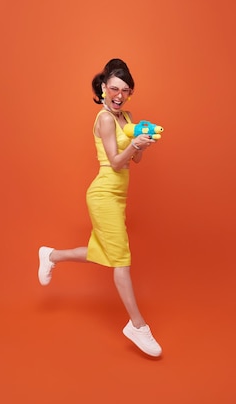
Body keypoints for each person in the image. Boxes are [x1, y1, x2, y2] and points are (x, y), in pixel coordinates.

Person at [37, 58, 162, 357]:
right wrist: (133, 146)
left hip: (118, 196)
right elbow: (116, 161)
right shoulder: (104, 118)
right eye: (114, 89)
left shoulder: (127, 117)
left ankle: (50, 255)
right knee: (121, 259)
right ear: (103, 88)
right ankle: (137, 326)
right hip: (104, 193)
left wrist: (141, 145)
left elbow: (135, 161)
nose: (120, 95)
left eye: (126, 90)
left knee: (101, 253)